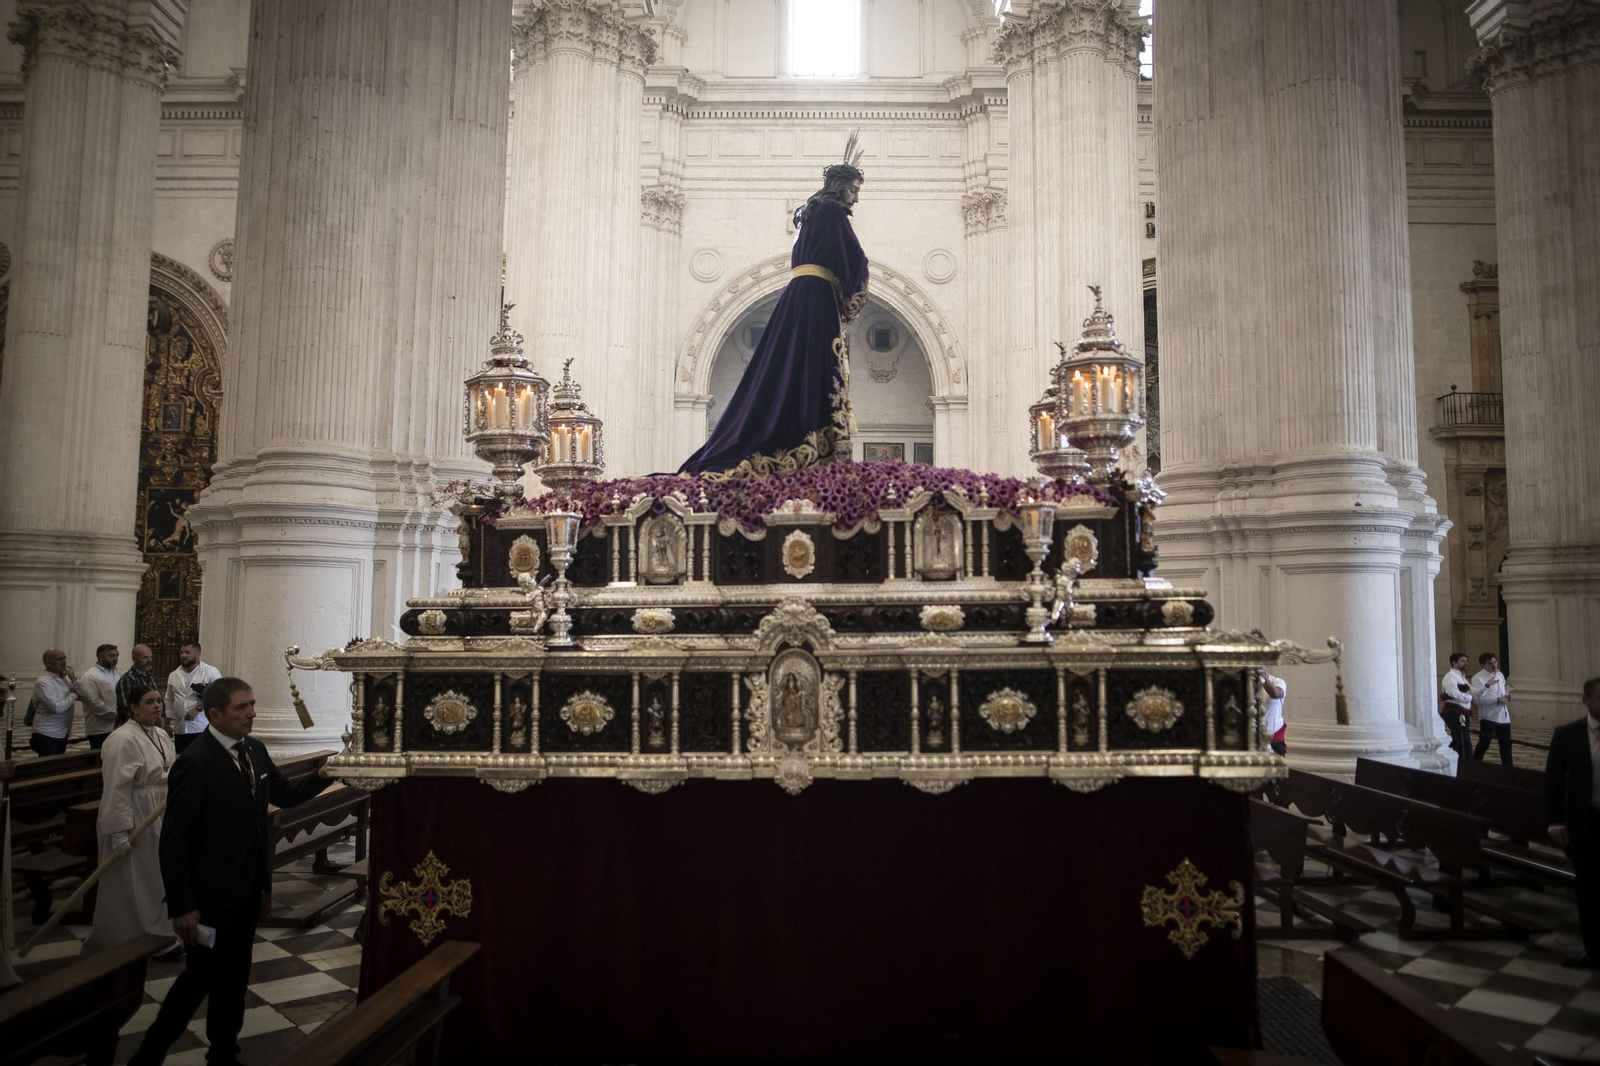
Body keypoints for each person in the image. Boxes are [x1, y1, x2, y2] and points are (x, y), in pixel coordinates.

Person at [129, 677, 333, 1066]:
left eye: (253, 704)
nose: (252, 713)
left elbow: (283, 796)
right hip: (207, 898)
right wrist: (182, 905)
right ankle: (149, 1055)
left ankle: (223, 1052)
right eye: (243, 707)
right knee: (198, 979)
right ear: (215, 714)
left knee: (235, 979)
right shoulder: (195, 762)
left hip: (245, 890)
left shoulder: (253, 750)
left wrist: (323, 775)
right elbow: (174, 842)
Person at [679, 134, 869, 479]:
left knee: (789, 366)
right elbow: (854, 260)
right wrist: (852, 291)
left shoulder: (813, 214)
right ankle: (808, 441)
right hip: (816, 299)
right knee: (813, 368)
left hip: (797, 296)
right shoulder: (834, 213)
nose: (855, 197)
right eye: (853, 189)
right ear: (840, 187)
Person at [81, 683, 180, 960]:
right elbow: (116, 787)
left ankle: (163, 931)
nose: (157, 706)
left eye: (159, 701)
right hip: (135, 813)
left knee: (157, 876)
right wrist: (118, 831)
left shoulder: (160, 733)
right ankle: (135, 936)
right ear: (133, 707)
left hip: (159, 809)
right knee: (138, 877)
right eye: (149, 702)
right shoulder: (122, 739)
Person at [1544, 678, 1600, 968]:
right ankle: (1593, 951)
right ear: (1586, 701)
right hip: (1586, 821)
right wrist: (1555, 822)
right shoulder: (1569, 735)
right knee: (1589, 890)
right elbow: (1554, 782)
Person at [164, 641, 220, 753]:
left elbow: (220, 697)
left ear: (198, 654)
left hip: (202, 728)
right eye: (181, 652)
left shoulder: (210, 672)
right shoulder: (174, 675)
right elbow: (169, 699)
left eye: (187, 652)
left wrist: (198, 709)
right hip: (180, 728)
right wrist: (167, 722)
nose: (183, 656)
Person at [29, 648, 86, 756]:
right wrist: (73, 696)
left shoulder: (66, 679)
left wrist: (74, 679)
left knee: (58, 766)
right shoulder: (43, 681)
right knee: (48, 768)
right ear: (48, 663)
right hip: (46, 733)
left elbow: (86, 698)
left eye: (65, 658)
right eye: (60, 659)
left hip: (62, 732)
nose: (64, 661)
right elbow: (55, 708)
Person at [1472, 652, 1513, 766]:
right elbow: (1477, 700)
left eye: (1495, 662)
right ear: (1483, 664)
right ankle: (1474, 766)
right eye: (1490, 663)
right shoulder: (1478, 678)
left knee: (1506, 745)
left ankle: (1508, 770)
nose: (1494, 665)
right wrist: (1497, 700)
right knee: (1484, 743)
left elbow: (1502, 690)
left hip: (1503, 716)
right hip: (1488, 716)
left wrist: (1506, 695)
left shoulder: (1500, 674)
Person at [78, 643, 122, 749]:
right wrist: (118, 714)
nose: (115, 659)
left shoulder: (116, 673)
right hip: (100, 729)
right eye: (111, 656)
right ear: (100, 657)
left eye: (117, 655)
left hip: (117, 726)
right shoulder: (90, 676)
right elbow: (94, 703)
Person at [1439, 652, 1474, 760]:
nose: (1466, 663)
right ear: (1454, 663)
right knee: (1461, 741)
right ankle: (1463, 764)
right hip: (1454, 712)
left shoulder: (1462, 678)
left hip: (1462, 712)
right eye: (1462, 661)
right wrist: (1469, 698)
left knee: (1464, 740)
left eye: (1466, 661)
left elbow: (1474, 691)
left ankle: (1466, 762)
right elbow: (1452, 692)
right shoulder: (1450, 676)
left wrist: (1487, 686)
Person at [116, 643, 160, 727]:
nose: (149, 660)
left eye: (151, 657)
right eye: (145, 657)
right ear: (134, 659)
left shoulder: (151, 677)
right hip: (133, 727)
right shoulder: (128, 679)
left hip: (151, 726)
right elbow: (128, 708)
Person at [1262, 673, 1287, 756]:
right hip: (1252, 741)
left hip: (1274, 741)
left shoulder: (1278, 682)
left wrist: (1262, 677)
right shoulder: (1244, 683)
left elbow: (1276, 694)